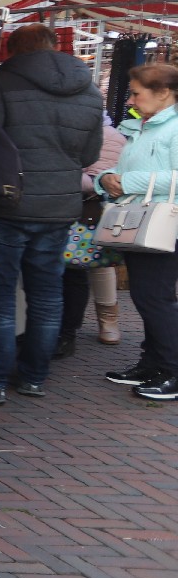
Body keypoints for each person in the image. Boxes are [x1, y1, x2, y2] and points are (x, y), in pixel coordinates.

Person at [0, 25, 103, 402]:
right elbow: (90, 155)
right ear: (54, 46)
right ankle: (34, 377)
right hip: (60, 205)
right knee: (47, 294)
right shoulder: (89, 90)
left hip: (10, 201)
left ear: (11, 49)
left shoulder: (2, 83)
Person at [96, 63, 178, 400]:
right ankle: (153, 364)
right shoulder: (145, 126)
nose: (130, 100)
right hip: (143, 222)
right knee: (148, 297)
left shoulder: (171, 128)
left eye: (135, 93)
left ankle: (171, 370)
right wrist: (106, 178)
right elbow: (129, 167)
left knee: (154, 297)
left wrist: (125, 181)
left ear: (164, 93)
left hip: (163, 225)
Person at [55, 120, 126, 357]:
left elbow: (99, 181)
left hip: (88, 213)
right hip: (65, 210)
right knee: (80, 268)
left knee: (87, 267)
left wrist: (56, 174)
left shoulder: (109, 135)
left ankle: (106, 320)